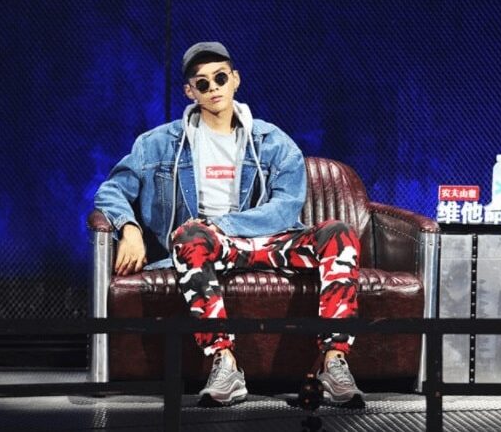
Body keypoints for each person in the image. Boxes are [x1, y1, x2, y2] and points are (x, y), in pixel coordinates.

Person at [94, 41, 364, 407]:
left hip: (270, 241)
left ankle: (334, 362)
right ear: (190, 92)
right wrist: (129, 228)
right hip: (208, 246)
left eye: (220, 77)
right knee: (189, 235)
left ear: (235, 79)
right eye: (202, 83)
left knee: (339, 234)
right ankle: (224, 364)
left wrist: (221, 223)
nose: (214, 88)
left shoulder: (272, 142)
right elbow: (111, 190)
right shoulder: (157, 144)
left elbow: (286, 208)